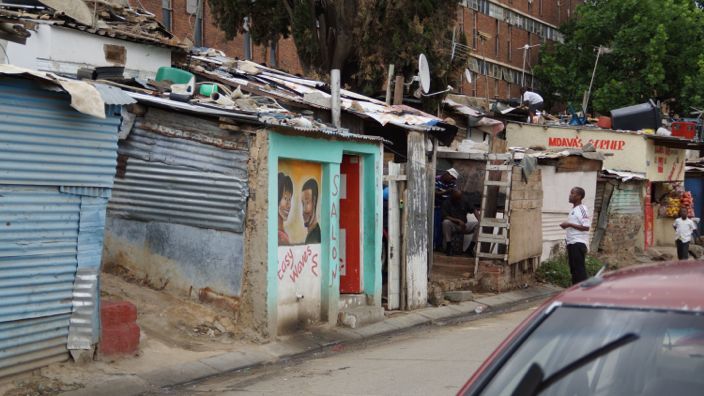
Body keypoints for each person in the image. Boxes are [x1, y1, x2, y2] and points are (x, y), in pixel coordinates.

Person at [560, 187, 590, 285]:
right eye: (570, 193)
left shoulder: (582, 209)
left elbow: (586, 227)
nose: (570, 195)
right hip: (571, 243)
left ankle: (582, 291)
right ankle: (575, 290)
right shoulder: (573, 209)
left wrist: (569, 224)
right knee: (574, 270)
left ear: (579, 196)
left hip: (578, 243)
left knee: (579, 270)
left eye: (573, 193)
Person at [441, 190, 478, 256]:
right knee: (445, 222)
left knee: (479, 225)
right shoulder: (446, 202)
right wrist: (457, 220)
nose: (458, 200)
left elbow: (474, 210)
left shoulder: (465, 200)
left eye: (459, 198)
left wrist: (480, 220)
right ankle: (449, 248)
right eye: (456, 198)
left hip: (464, 225)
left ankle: (470, 248)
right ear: (452, 197)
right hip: (453, 225)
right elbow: (445, 216)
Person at [434, 168, 459, 250]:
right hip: (436, 207)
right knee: (436, 226)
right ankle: (435, 245)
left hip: (446, 208)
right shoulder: (436, 179)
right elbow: (435, 192)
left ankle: (439, 246)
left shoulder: (452, 182)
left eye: (454, 179)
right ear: (447, 174)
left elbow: (454, 194)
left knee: (443, 227)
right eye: (452, 178)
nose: (452, 180)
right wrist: (446, 192)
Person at [301, 178, 321, 244]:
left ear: (314, 201)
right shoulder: (311, 235)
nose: (304, 210)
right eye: (303, 203)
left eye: (307, 202)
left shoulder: (315, 237)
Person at [277, 172, 293, 245]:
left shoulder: (282, 234)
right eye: (285, 198)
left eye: (289, 199)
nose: (288, 205)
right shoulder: (279, 237)